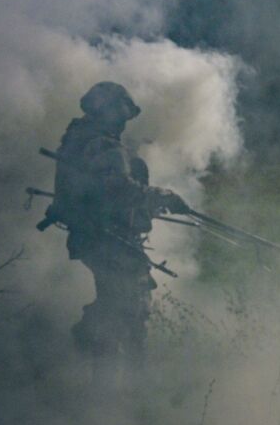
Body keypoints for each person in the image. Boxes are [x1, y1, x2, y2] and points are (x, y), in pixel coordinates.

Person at [45, 82, 188, 377]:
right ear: (107, 110)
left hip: (99, 237)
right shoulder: (101, 144)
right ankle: (120, 384)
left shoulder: (81, 139)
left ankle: (113, 380)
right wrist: (162, 197)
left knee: (121, 308)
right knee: (127, 309)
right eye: (121, 114)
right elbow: (117, 189)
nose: (124, 121)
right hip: (107, 238)